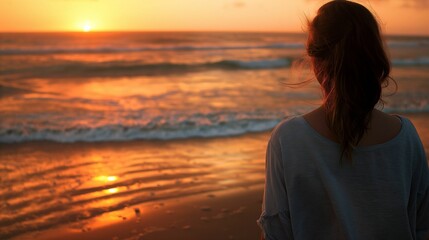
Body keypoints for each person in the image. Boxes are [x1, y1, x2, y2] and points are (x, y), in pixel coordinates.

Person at [257, 1, 429, 239]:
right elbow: (422, 227)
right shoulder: (405, 137)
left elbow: (277, 233)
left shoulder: (288, 139)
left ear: (315, 60)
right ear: (373, 55)